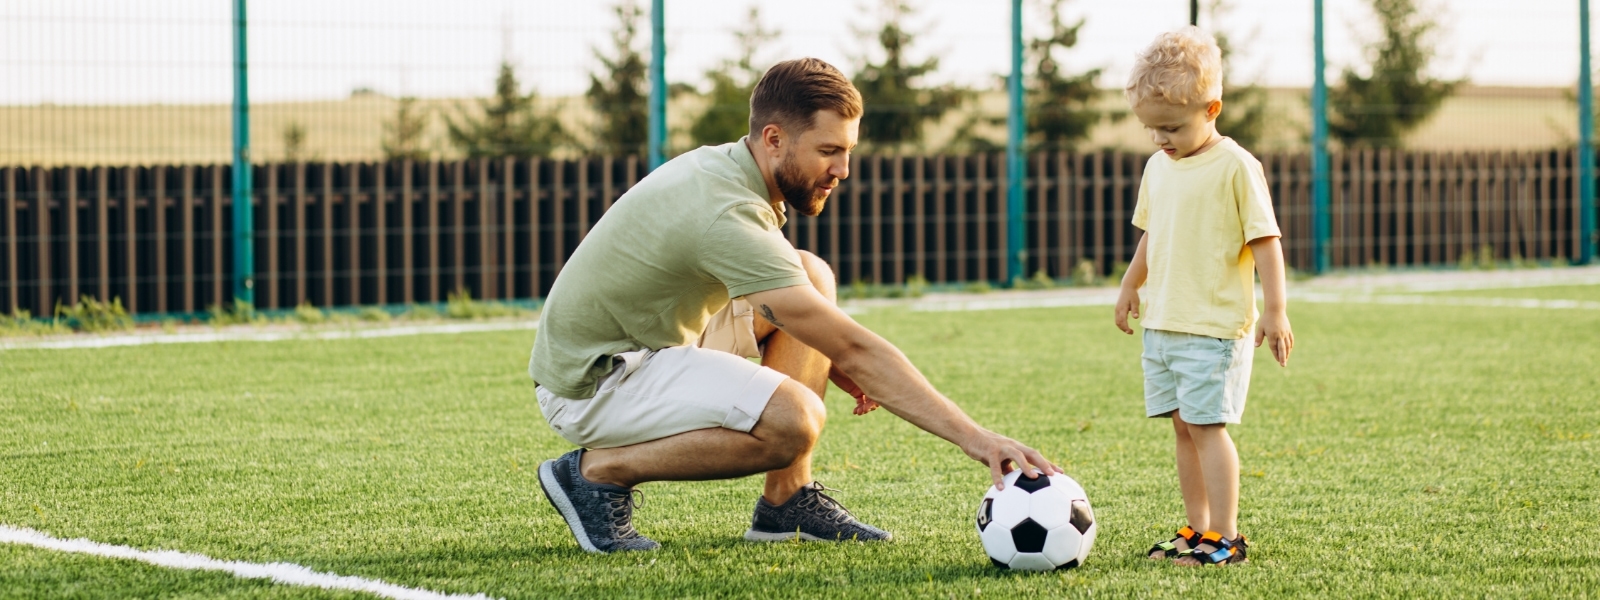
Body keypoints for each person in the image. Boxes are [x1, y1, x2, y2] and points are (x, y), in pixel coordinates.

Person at [528, 57, 1060, 554]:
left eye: (848, 151)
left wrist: (825, 349)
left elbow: (812, 321)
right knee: (794, 421)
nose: (843, 170)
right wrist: (977, 438)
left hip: (646, 346)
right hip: (595, 382)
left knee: (809, 273)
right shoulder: (727, 212)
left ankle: (786, 504)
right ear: (774, 138)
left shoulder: (728, 168)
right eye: (828, 151)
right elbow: (851, 346)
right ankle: (596, 474)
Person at [1113, 27, 1294, 567]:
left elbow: (1265, 240)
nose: (1160, 139)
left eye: (1171, 127)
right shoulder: (1158, 166)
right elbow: (1153, 234)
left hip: (1215, 328)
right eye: (1151, 129)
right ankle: (1197, 528)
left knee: (1207, 428)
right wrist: (1129, 286)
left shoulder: (1236, 166)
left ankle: (1227, 537)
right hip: (1165, 324)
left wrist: (1276, 310)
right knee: (1182, 429)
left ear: (1211, 107)